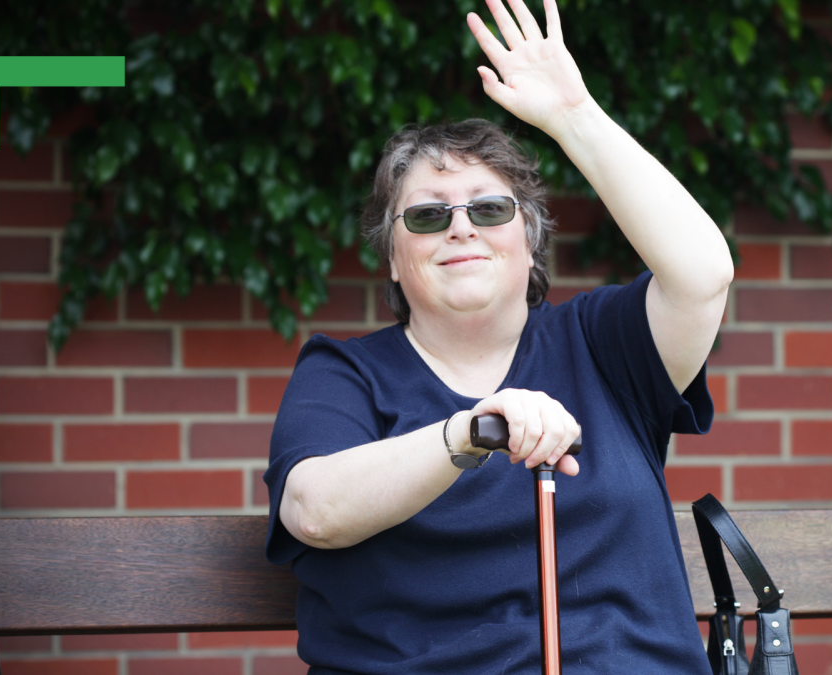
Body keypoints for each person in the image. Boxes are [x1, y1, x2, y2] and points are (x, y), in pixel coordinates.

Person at [264, 0, 734, 671]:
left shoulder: (604, 343)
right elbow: (314, 508)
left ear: (529, 237)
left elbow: (704, 273)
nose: (461, 227)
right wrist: (472, 431)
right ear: (393, 258)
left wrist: (574, 118)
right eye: (427, 216)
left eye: (488, 209)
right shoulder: (346, 373)